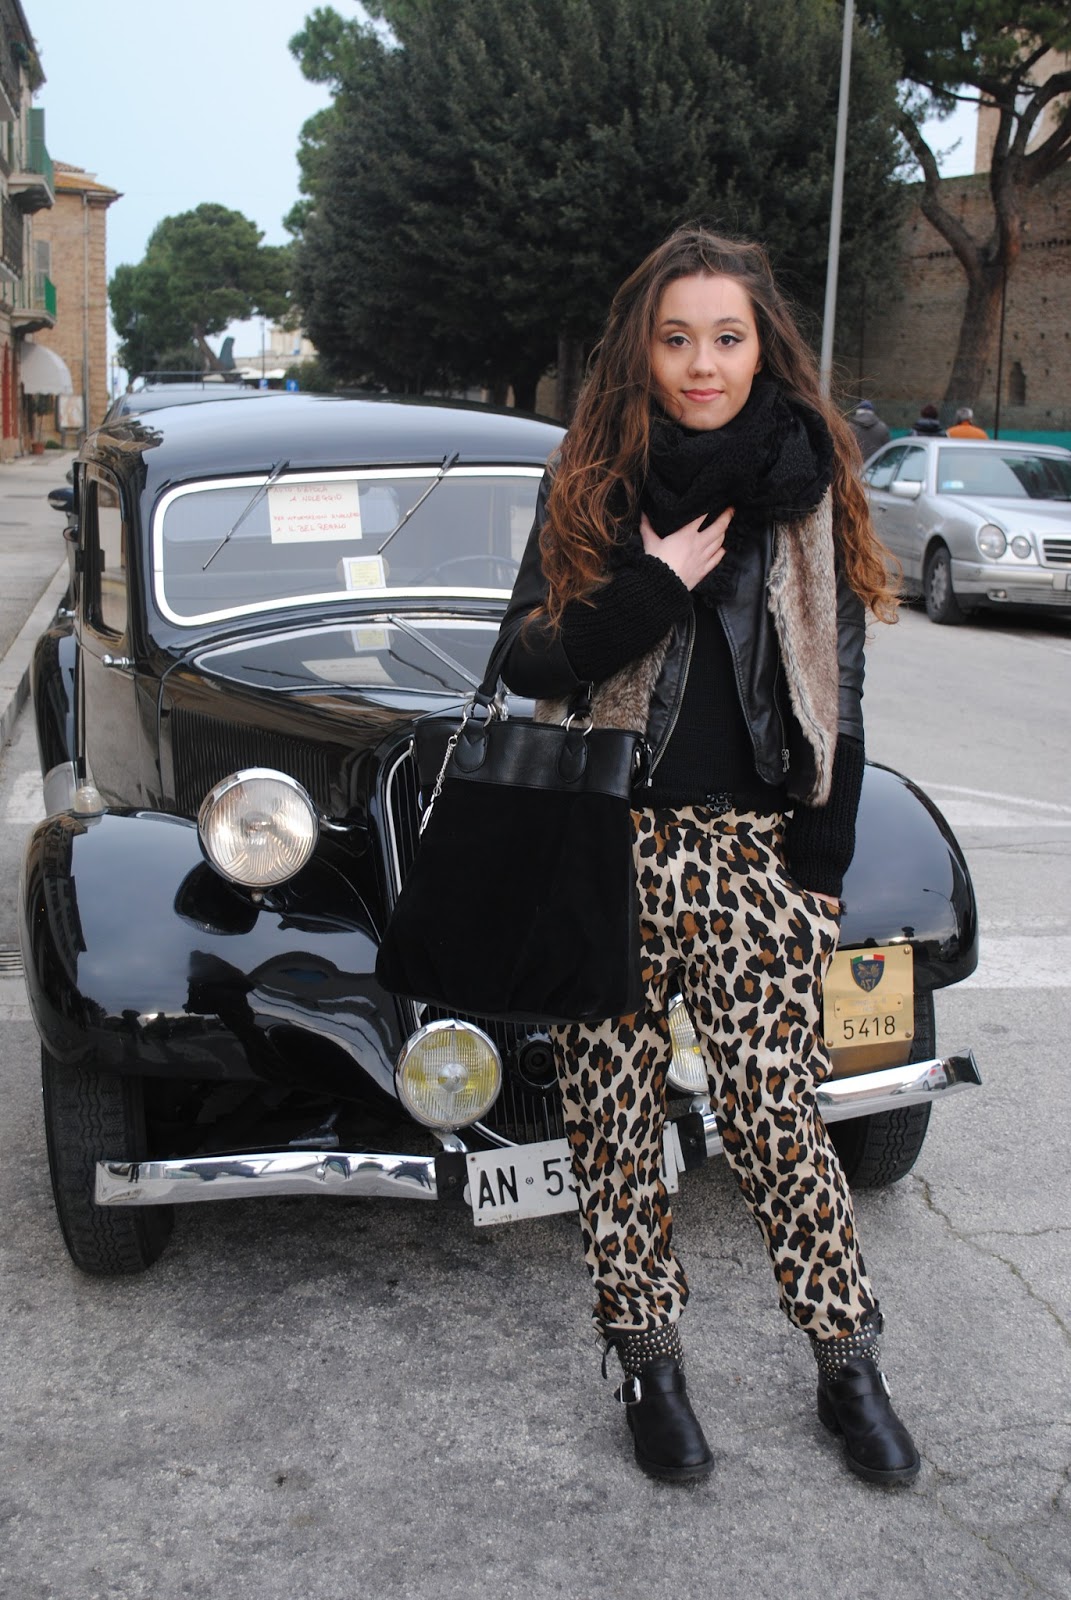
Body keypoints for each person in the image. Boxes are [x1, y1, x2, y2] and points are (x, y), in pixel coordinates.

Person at [495, 225, 919, 1489]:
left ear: (761, 347)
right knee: (614, 1123)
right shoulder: (591, 480)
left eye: (726, 338)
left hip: (752, 853)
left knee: (778, 1117)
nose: (701, 364)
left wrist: (819, 865)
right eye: (676, 338)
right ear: (643, 348)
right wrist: (652, 584)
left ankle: (848, 1363)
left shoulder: (807, 480)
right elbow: (524, 657)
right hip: (607, 839)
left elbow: (837, 685)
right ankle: (649, 1366)